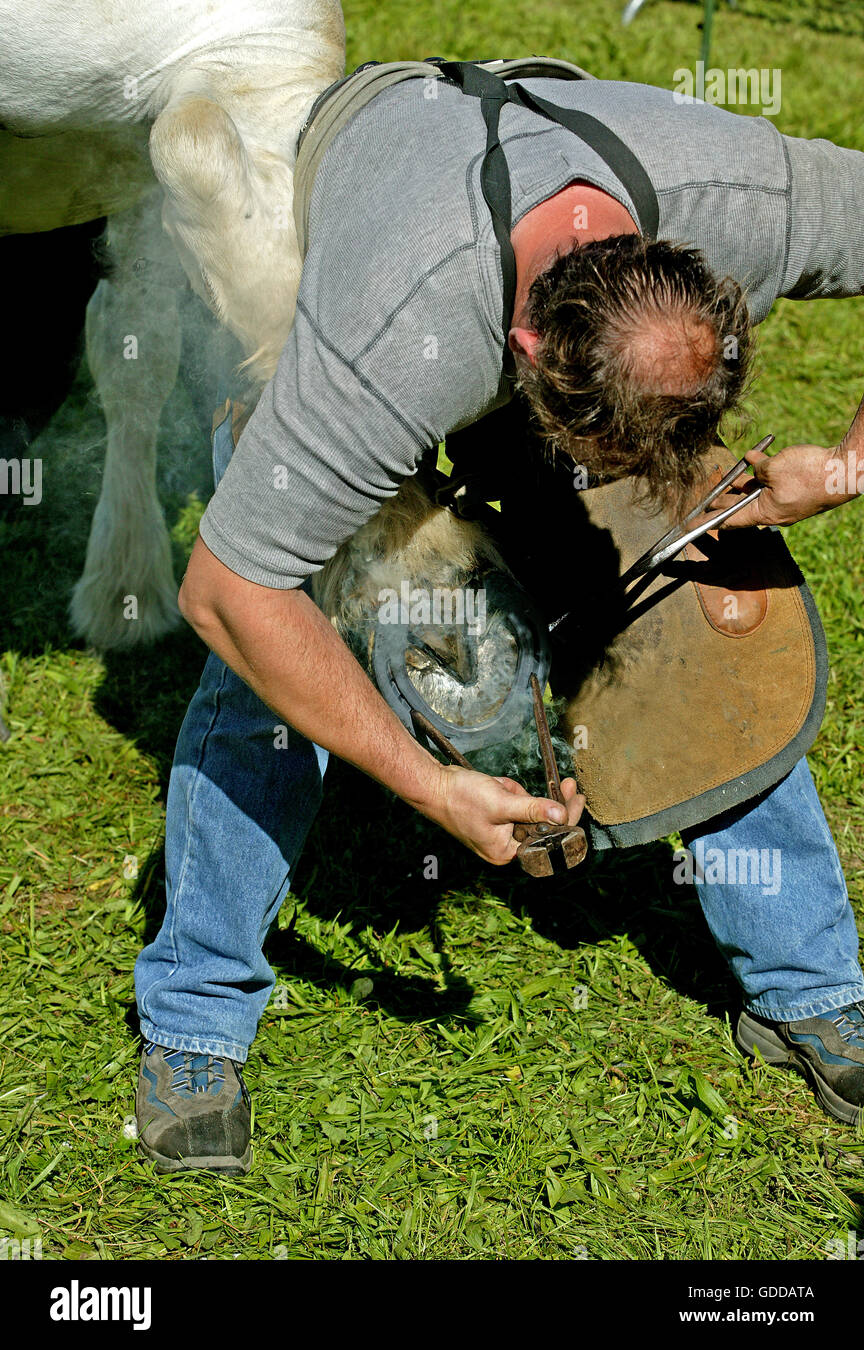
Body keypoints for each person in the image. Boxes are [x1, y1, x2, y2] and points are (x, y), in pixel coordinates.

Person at [134, 71, 864, 1173]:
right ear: (528, 359)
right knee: (291, 630)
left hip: (528, 195)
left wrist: (852, 464)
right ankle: (194, 1013)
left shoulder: (747, 198)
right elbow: (229, 593)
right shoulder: (384, 336)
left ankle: (811, 989)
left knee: (710, 588)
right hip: (388, 179)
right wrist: (428, 787)